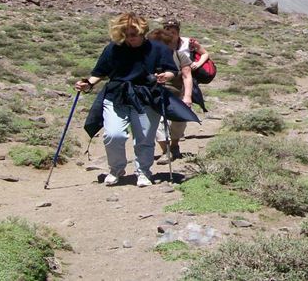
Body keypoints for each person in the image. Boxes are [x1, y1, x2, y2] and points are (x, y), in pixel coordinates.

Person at [76, 12, 178, 188]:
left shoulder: (158, 48)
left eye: (134, 34)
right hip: (117, 95)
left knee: (145, 137)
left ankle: (143, 172)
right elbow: (100, 72)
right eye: (127, 34)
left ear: (142, 31)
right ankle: (116, 169)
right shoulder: (113, 49)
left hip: (146, 96)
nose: (131, 38)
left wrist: (164, 76)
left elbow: (171, 70)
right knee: (113, 135)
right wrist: (88, 84)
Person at [160, 19, 211, 158]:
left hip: (183, 81)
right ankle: (167, 150)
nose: (171, 34)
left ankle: (174, 143)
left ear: (178, 32)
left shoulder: (188, 42)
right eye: (168, 31)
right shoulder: (158, 44)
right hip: (162, 84)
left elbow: (205, 53)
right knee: (159, 118)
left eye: (173, 32)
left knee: (180, 114)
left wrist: (197, 63)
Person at [148, 28, 194, 162]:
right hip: (155, 95)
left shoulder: (179, 56)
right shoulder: (148, 58)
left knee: (179, 122)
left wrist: (188, 96)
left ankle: (174, 145)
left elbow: (187, 76)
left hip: (177, 95)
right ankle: (166, 151)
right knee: (160, 124)